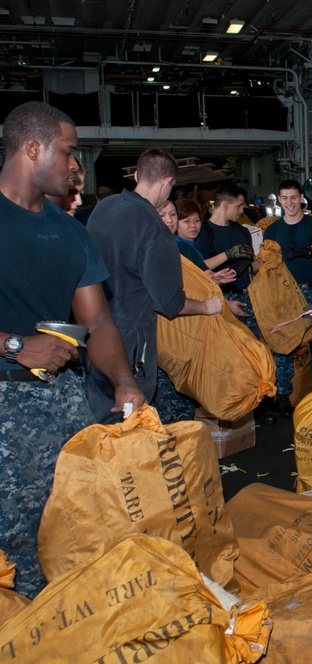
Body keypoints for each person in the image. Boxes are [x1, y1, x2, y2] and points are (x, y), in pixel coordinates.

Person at [0, 101, 145, 597]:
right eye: (67, 153)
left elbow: (99, 320)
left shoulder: (70, 233)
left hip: (64, 403)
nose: (74, 166)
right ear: (32, 148)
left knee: (76, 530)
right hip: (6, 404)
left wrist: (124, 380)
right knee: (14, 547)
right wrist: (15, 345)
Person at [86, 149, 222, 424]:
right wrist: (206, 307)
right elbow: (169, 303)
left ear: (136, 175)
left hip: (93, 330)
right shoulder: (155, 229)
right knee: (131, 417)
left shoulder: (104, 208)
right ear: (167, 183)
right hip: (131, 341)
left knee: (100, 416)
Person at [262, 179, 312, 418]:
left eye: (293, 197)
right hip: (286, 296)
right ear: (279, 199)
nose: (290, 202)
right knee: (284, 346)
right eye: (284, 198)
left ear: (301, 197)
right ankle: (283, 397)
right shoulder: (272, 230)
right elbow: (266, 263)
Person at [195, 182, 258, 335]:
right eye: (239, 206)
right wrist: (227, 255)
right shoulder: (202, 233)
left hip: (248, 298)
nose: (241, 211)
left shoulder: (242, 231)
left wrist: (264, 263)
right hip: (221, 300)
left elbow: (254, 264)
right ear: (225, 204)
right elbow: (197, 269)